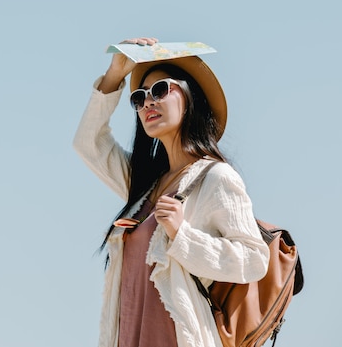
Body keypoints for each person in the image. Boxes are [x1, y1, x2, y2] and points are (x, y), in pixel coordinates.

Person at [73, 37, 270, 347]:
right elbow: (88, 144)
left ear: (190, 98)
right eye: (139, 97)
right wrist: (116, 74)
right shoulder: (143, 185)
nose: (148, 102)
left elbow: (254, 259)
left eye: (161, 90)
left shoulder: (216, 177)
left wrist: (182, 235)